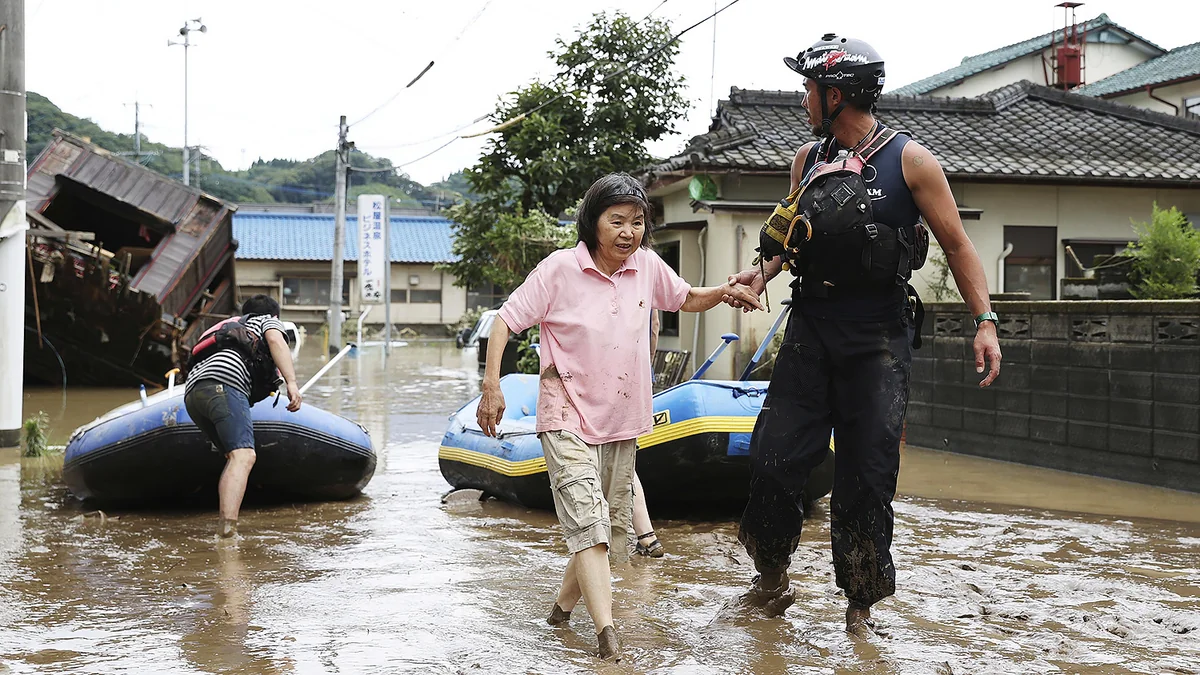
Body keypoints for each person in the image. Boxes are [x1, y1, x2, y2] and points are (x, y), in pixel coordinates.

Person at [721, 35, 1002, 634]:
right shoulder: (807, 161)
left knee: (867, 476)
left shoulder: (911, 162)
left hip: (878, 338)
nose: (803, 100)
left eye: (809, 89)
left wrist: (985, 321)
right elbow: (790, 237)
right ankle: (771, 581)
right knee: (773, 459)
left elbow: (957, 244)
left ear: (837, 94)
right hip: (810, 328)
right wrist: (758, 273)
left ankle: (860, 610)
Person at [477, 172, 763, 662]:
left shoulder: (648, 266)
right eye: (617, 221)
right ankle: (607, 638)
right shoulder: (559, 269)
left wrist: (725, 291)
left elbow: (684, 298)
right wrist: (491, 385)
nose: (628, 231)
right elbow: (505, 319)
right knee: (589, 523)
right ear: (593, 223)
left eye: (637, 222)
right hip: (564, 407)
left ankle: (560, 614)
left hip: (623, 415)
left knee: (609, 529)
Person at [184, 295, 302, 538]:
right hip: (225, 384)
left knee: (232, 455)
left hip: (193, 392)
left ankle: (226, 522)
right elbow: (275, 341)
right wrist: (291, 382)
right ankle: (227, 532)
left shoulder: (226, 328)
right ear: (274, 315)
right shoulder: (267, 321)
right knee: (244, 455)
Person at [632, 309, 664, 558]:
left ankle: (646, 535)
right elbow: (654, 325)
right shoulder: (645, 273)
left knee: (616, 462)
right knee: (625, 459)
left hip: (608, 372)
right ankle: (646, 536)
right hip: (637, 371)